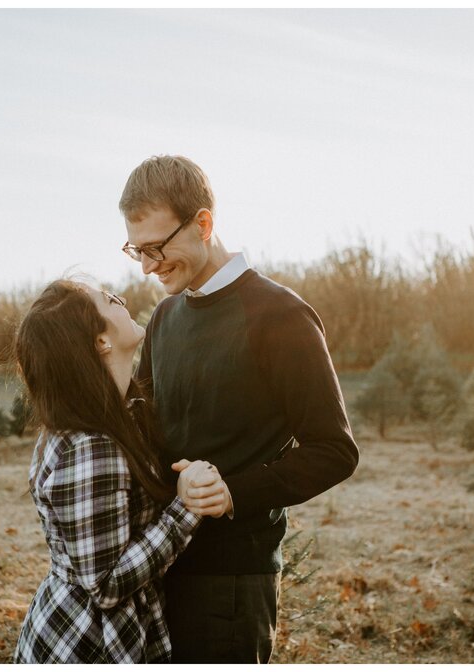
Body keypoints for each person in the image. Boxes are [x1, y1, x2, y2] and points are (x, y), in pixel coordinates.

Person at [119, 155, 360, 663]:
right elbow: (143, 425)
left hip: (230, 577)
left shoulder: (280, 316)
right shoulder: (164, 316)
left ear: (203, 223)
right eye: (137, 251)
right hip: (156, 561)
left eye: (157, 247)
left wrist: (231, 494)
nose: (147, 266)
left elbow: (334, 450)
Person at [11, 279, 223, 664]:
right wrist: (186, 506)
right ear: (101, 342)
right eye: (109, 300)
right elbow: (106, 584)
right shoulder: (93, 447)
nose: (121, 299)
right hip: (88, 643)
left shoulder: (114, 415)